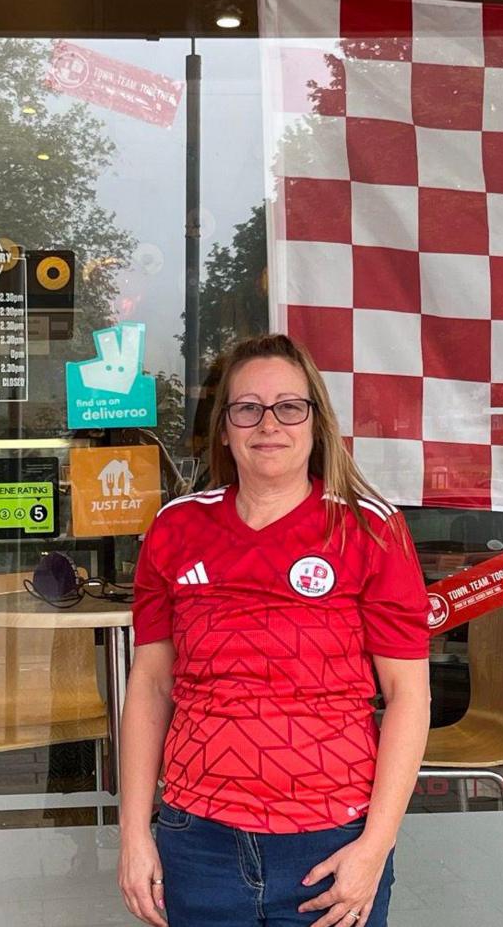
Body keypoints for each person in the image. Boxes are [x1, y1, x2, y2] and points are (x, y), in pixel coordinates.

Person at [117, 334, 431, 927]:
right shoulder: (176, 528)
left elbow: (409, 697)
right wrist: (134, 833)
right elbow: (151, 688)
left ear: (316, 421)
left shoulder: (368, 528)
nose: (269, 424)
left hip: (331, 842)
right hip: (197, 841)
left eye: (289, 406)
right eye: (247, 408)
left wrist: (376, 845)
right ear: (225, 426)